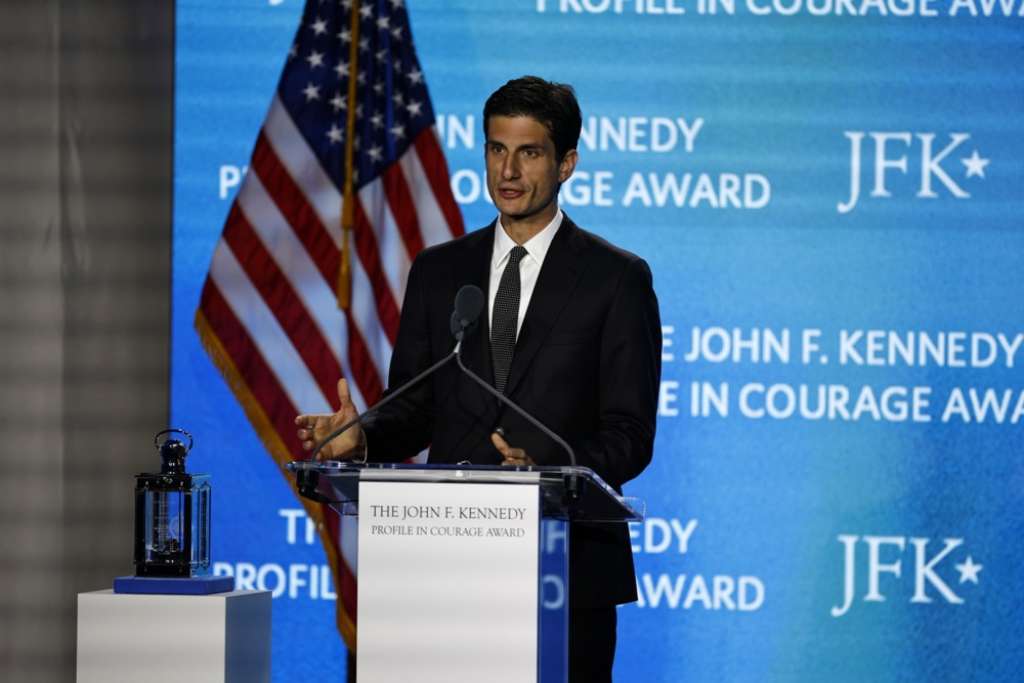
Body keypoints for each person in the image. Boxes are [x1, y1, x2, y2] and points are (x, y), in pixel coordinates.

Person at [296, 75, 661, 682]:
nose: (508, 171)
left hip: (566, 577)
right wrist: (363, 437)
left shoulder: (616, 279)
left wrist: (547, 469)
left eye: (529, 152)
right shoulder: (440, 271)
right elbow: (414, 408)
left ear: (567, 163)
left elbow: (629, 435)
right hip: (447, 571)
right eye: (496, 149)